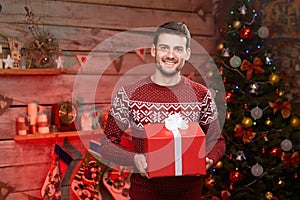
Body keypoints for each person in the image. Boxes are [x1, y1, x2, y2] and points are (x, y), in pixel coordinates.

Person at [99, 21, 226, 200]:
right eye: (165, 48)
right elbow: (107, 144)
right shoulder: (128, 94)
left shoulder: (201, 94)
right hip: (145, 193)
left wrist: (209, 158)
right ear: (154, 50)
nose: (171, 55)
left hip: (189, 194)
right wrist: (134, 159)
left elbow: (217, 140)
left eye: (178, 49)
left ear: (187, 54)